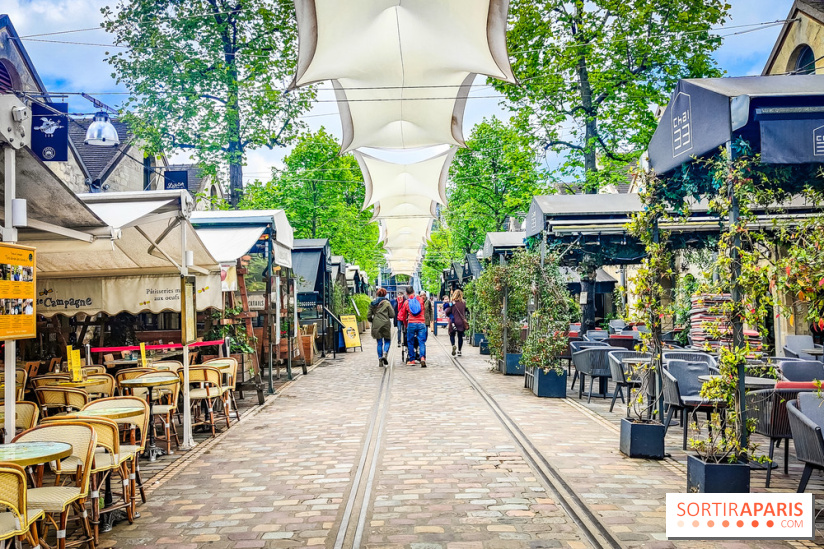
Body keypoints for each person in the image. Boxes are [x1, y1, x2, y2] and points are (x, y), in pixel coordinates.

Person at [398, 285, 427, 367]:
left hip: (411, 323)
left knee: (410, 341)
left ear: (406, 293)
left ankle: (412, 360)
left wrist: (406, 324)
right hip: (421, 323)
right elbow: (423, 310)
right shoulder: (420, 300)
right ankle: (422, 358)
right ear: (414, 291)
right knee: (422, 341)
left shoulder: (406, 302)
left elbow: (402, 316)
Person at [368, 288, 395, 367]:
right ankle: (385, 353)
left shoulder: (372, 303)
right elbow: (392, 314)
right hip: (386, 324)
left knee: (379, 343)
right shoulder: (387, 303)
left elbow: (369, 316)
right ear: (385, 294)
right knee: (387, 340)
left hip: (376, 324)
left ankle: (380, 359)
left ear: (377, 294)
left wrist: (373, 320)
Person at [445, 289, 468, 357]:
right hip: (461, 322)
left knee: (452, 335)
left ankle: (453, 345)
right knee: (460, 336)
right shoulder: (464, 303)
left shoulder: (452, 303)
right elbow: (466, 311)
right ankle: (459, 351)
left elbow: (447, 312)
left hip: (453, 322)